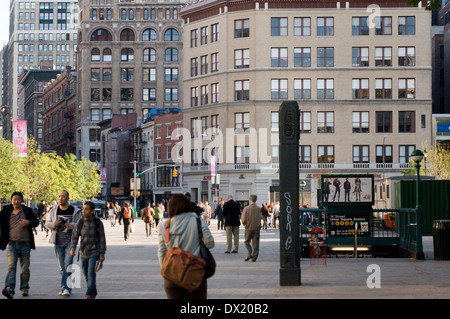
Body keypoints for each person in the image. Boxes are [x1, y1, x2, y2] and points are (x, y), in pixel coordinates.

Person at [157, 194, 214, 299]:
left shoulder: (164, 225)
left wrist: (165, 269)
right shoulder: (198, 222)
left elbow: (162, 251)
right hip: (194, 274)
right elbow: (210, 243)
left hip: (172, 275)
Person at [0, 192, 40, 299]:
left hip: (25, 244)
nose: (16, 201)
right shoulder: (6, 211)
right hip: (11, 244)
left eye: (18, 199)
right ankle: (9, 289)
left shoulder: (27, 210)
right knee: (11, 267)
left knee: (25, 268)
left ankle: (24, 287)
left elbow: (36, 222)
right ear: (11, 200)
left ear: (21, 200)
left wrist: (28, 222)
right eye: (14, 199)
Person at [45, 190, 82, 297]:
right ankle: (67, 286)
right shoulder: (53, 210)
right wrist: (54, 224)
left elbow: (80, 225)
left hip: (71, 242)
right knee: (62, 267)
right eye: (59, 196)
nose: (60, 198)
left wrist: (69, 225)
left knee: (68, 264)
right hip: (58, 242)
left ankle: (65, 288)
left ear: (67, 198)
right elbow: (47, 224)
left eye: (63, 196)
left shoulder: (75, 210)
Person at [70, 201, 106, 299]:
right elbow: (74, 236)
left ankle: (89, 293)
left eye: (86, 209)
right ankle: (93, 290)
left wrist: (102, 254)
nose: (83, 211)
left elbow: (102, 240)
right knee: (86, 274)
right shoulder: (80, 222)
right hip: (83, 253)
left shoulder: (98, 223)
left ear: (92, 211)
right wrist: (73, 248)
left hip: (94, 252)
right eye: (83, 209)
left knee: (91, 273)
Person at [241, 195, 262, 262]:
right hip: (256, 228)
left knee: (247, 241)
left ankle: (249, 253)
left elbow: (243, 218)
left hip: (248, 227)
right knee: (255, 243)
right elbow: (260, 217)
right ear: (256, 200)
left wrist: (244, 224)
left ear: (250, 200)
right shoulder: (259, 209)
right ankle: (254, 257)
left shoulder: (246, 208)